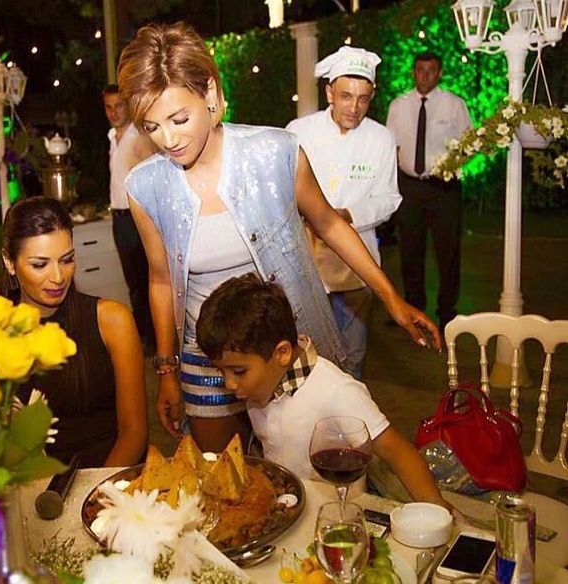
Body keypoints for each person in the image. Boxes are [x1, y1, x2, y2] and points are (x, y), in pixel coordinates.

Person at [117, 22, 441, 453]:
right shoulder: (146, 187)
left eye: (179, 119)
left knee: (306, 473)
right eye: (152, 126)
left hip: (286, 346)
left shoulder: (275, 153)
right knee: (222, 476)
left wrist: (391, 298)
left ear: (210, 92)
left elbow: (328, 223)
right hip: (206, 356)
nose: (168, 140)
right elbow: (161, 280)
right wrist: (166, 370)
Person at [196, 272, 451, 511]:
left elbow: (397, 452)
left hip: (335, 515)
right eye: (221, 371)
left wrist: (437, 508)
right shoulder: (260, 387)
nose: (229, 384)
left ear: (282, 353)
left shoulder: (336, 391)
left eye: (238, 371)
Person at [0, 196, 147, 467]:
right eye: (40, 265)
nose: (58, 277)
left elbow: (134, 434)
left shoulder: (112, 321)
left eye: (67, 260)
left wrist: (97, 489)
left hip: (109, 475)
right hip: (32, 482)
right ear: (9, 262)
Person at [286, 46, 402, 379]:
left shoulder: (381, 138)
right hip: (306, 259)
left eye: (363, 99)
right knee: (304, 354)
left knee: (353, 354)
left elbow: (389, 199)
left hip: (357, 261)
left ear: (372, 97)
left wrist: (347, 214)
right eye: (346, 96)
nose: (354, 107)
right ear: (329, 93)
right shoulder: (299, 130)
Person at [386, 52, 472, 331]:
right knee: (410, 250)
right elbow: (391, 148)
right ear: (413, 72)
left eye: (431, 70)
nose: (425, 75)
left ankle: (447, 311)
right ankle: (414, 308)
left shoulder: (454, 105)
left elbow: (468, 144)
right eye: (420, 69)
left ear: (440, 73)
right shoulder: (398, 106)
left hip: (443, 188)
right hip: (409, 187)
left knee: (448, 251)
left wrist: (451, 167)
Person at [103, 84, 156, 348]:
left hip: (137, 218)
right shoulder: (113, 137)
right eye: (108, 107)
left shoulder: (139, 137)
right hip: (119, 218)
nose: (113, 112)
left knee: (148, 279)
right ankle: (143, 336)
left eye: (118, 106)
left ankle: (155, 339)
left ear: (128, 106)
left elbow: (153, 178)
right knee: (133, 282)